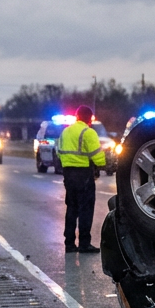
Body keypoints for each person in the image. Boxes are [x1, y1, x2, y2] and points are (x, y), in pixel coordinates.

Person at [57, 105, 106, 253]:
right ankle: (84, 243)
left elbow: (59, 152)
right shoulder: (88, 132)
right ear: (89, 118)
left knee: (71, 208)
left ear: (77, 116)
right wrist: (104, 164)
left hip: (68, 173)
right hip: (83, 174)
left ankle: (69, 244)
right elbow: (98, 157)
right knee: (86, 209)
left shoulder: (66, 132)